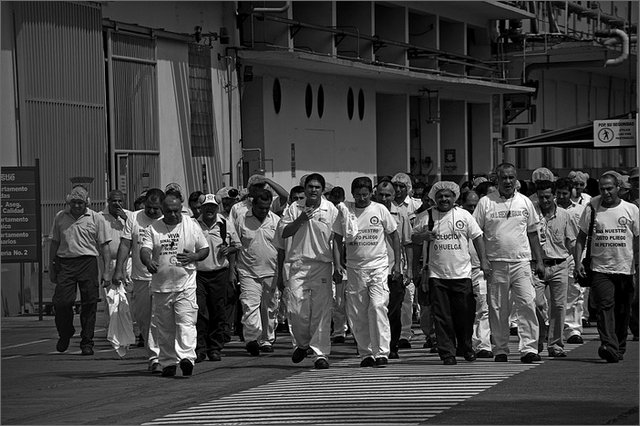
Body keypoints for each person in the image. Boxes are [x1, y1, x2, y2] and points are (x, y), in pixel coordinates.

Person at [473, 163, 545, 364]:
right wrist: (483, 260)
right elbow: (476, 234)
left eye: (511, 177)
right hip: (495, 264)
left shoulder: (524, 202)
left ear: (516, 179)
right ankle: (500, 349)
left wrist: (539, 260)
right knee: (497, 308)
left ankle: (529, 348)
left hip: (521, 262)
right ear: (497, 179)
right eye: (503, 178)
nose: (507, 181)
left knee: (527, 304)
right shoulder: (485, 203)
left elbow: (532, 232)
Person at [413, 182, 488, 365]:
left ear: (454, 197)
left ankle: (465, 347)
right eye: (440, 196)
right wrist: (422, 239)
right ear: (434, 198)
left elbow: (477, 237)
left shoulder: (464, 215)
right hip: (437, 276)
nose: (444, 199)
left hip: (462, 274)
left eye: (447, 196)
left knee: (465, 314)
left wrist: (484, 261)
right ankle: (447, 352)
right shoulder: (425, 217)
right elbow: (413, 240)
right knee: (442, 316)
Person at [333, 177, 401, 367]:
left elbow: (394, 235)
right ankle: (366, 353)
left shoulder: (379, 209)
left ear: (371, 193)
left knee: (378, 306)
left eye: (365, 194)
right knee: (358, 312)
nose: (362, 198)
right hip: (355, 269)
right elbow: (337, 240)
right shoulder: (346, 211)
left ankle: (382, 352)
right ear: (352, 194)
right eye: (358, 195)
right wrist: (337, 264)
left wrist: (397, 265)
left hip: (378, 267)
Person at [140, 193, 209, 377]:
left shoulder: (191, 225)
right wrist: (148, 262)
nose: (173, 214)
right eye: (169, 211)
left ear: (181, 208)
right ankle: (168, 362)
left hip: (185, 284)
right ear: (162, 210)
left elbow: (204, 249)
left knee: (186, 322)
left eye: (176, 211)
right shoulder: (153, 228)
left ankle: (187, 358)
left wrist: (193, 256)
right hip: (162, 287)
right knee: (165, 327)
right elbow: (144, 250)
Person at [574, 172, 639, 363]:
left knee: (622, 309)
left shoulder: (631, 209)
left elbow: (637, 238)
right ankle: (608, 345)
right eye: (602, 189)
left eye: (609, 188)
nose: (606, 192)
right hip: (600, 268)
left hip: (625, 268)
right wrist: (578, 263)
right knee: (605, 306)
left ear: (618, 187)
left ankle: (618, 346)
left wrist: (636, 264)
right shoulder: (592, 207)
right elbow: (581, 237)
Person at [279, 173, 339, 369]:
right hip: (298, 264)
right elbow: (284, 232)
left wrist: (338, 265)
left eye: (317, 187)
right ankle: (303, 344)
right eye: (310, 186)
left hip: (322, 264)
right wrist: (301, 219)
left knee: (321, 312)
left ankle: (321, 354)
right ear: (304, 189)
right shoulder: (294, 208)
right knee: (296, 310)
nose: (313, 190)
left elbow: (337, 239)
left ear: (323, 190)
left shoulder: (330, 209)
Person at [49, 186, 111, 355]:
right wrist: (51, 266)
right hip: (65, 263)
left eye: (80, 203)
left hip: (88, 262)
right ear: (68, 202)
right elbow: (54, 242)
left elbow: (104, 246)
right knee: (61, 303)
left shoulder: (96, 218)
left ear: (87, 203)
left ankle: (87, 341)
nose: (77, 206)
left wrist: (106, 271)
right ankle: (65, 332)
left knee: (89, 303)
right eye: (74, 202)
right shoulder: (60, 217)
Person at [112, 188, 165, 372]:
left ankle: (157, 357)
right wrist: (118, 269)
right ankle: (155, 354)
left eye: (156, 209)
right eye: (148, 207)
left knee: (158, 319)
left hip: (164, 280)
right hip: (140, 278)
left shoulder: (169, 220)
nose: (151, 212)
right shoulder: (134, 218)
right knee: (143, 319)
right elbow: (125, 244)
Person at [232, 189, 281, 355]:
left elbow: (282, 249)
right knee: (249, 305)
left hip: (272, 271)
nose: (264, 211)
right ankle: (252, 339)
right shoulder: (241, 220)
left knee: (270, 308)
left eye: (267, 208)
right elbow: (235, 244)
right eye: (261, 208)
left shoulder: (276, 221)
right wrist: (233, 269)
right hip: (248, 271)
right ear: (253, 204)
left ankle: (267, 339)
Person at [532, 180, 576, 357]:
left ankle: (555, 344)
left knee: (558, 306)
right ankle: (538, 337)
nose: (544, 200)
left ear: (554, 196)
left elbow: (571, 241)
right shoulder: (531, 213)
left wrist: (579, 263)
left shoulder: (565, 215)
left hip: (559, 264)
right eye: (541, 197)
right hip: (535, 265)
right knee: (534, 303)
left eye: (548, 196)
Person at [195, 194, 238, 363]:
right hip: (199, 274)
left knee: (218, 311)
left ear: (217, 208)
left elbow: (237, 245)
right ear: (201, 208)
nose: (209, 210)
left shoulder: (225, 224)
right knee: (199, 311)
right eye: (206, 207)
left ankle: (214, 348)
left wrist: (230, 251)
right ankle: (200, 348)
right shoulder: (193, 224)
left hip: (219, 273)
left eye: (213, 207)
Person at [375, 181, 412, 359]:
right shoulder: (368, 211)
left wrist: (409, 269)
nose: (384, 198)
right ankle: (375, 344)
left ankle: (392, 345)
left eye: (387, 195)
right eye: (381, 194)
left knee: (393, 310)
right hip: (372, 269)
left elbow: (407, 242)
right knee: (374, 308)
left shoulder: (401, 214)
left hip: (393, 269)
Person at [391, 172, 421, 349]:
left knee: (408, 298)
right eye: (396, 186)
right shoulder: (388, 206)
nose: (399, 189)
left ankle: (405, 333)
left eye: (402, 186)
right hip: (391, 256)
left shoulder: (416, 205)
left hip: (410, 253)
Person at [460, 190, 493, 358]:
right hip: (461, 272)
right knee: (464, 310)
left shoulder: (484, 221)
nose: (473, 209)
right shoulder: (458, 218)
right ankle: (466, 343)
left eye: (475, 206)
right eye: (469, 206)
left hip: (480, 270)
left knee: (483, 308)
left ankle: (483, 345)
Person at [555, 178, 587, 344]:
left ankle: (573, 329)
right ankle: (553, 328)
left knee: (575, 293)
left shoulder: (581, 210)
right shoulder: (549, 208)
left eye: (565, 193)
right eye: (558, 193)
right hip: (555, 255)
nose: (561, 196)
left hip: (575, 255)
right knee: (553, 295)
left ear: (571, 193)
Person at [98, 190, 132, 331]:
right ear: (108, 201)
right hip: (107, 262)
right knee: (110, 298)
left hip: (127, 262)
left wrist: (126, 219)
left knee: (127, 297)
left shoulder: (129, 216)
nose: (117, 204)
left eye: (120, 201)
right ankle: (113, 330)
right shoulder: (99, 217)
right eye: (114, 201)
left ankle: (127, 329)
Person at [327, 186, 349, 343]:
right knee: (337, 300)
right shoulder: (326, 212)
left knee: (349, 300)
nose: (336, 202)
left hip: (347, 261)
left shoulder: (346, 211)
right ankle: (339, 331)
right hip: (330, 262)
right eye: (333, 199)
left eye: (338, 199)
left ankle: (353, 330)